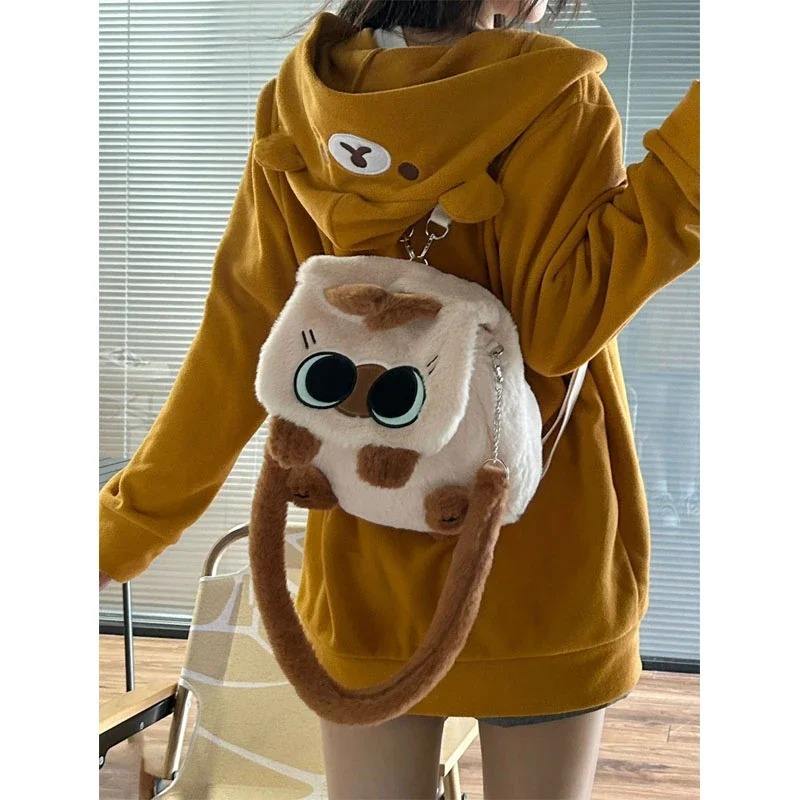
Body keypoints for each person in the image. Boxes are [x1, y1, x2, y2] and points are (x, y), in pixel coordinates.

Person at [99, 1, 700, 797]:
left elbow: (240, 333)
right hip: (536, 553)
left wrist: (123, 530)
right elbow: (560, 330)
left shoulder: (304, 102)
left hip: (367, 556)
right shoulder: (553, 97)